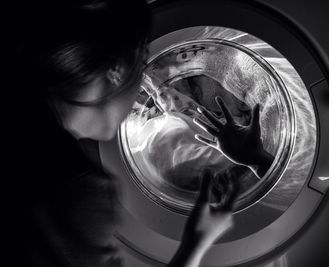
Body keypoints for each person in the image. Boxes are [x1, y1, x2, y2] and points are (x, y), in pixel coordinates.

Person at [10, 1, 239, 266]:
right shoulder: (78, 191)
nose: (157, 95)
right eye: (142, 68)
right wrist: (197, 242)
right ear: (116, 71)